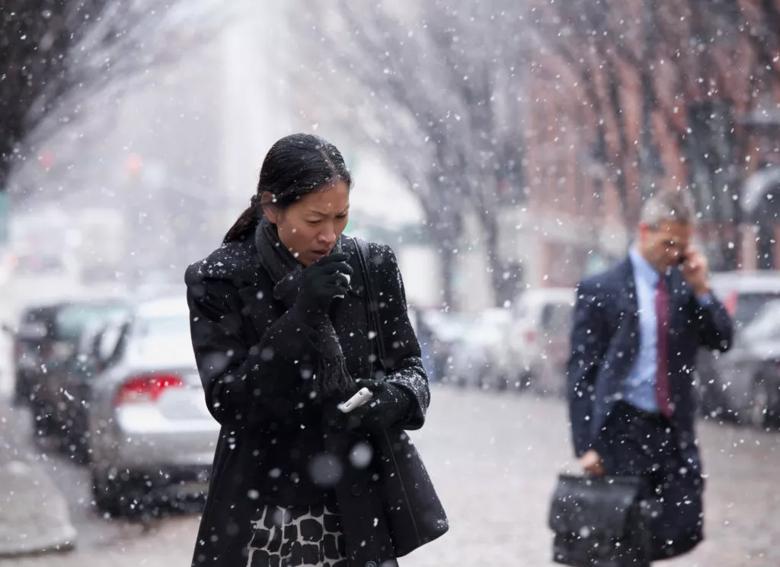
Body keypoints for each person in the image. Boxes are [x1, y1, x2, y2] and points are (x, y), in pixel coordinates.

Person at [185, 133, 446, 567]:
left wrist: (392, 399)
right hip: (261, 513)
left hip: (357, 509)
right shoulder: (219, 279)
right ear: (271, 208)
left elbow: (411, 370)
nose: (329, 235)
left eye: (341, 216)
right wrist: (302, 314)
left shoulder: (371, 266)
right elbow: (228, 399)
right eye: (314, 220)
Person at [567, 190, 733, 563]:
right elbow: (581, 372)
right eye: (668, 243)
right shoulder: (602, 289)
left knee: (678, 528)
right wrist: (585, 444)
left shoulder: (684, 286)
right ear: (644, 231)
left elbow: (723, 338)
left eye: (682, 245)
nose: (674, 253)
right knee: (626, 537)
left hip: (671, 430)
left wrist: (702, 287)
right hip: (621, 427)